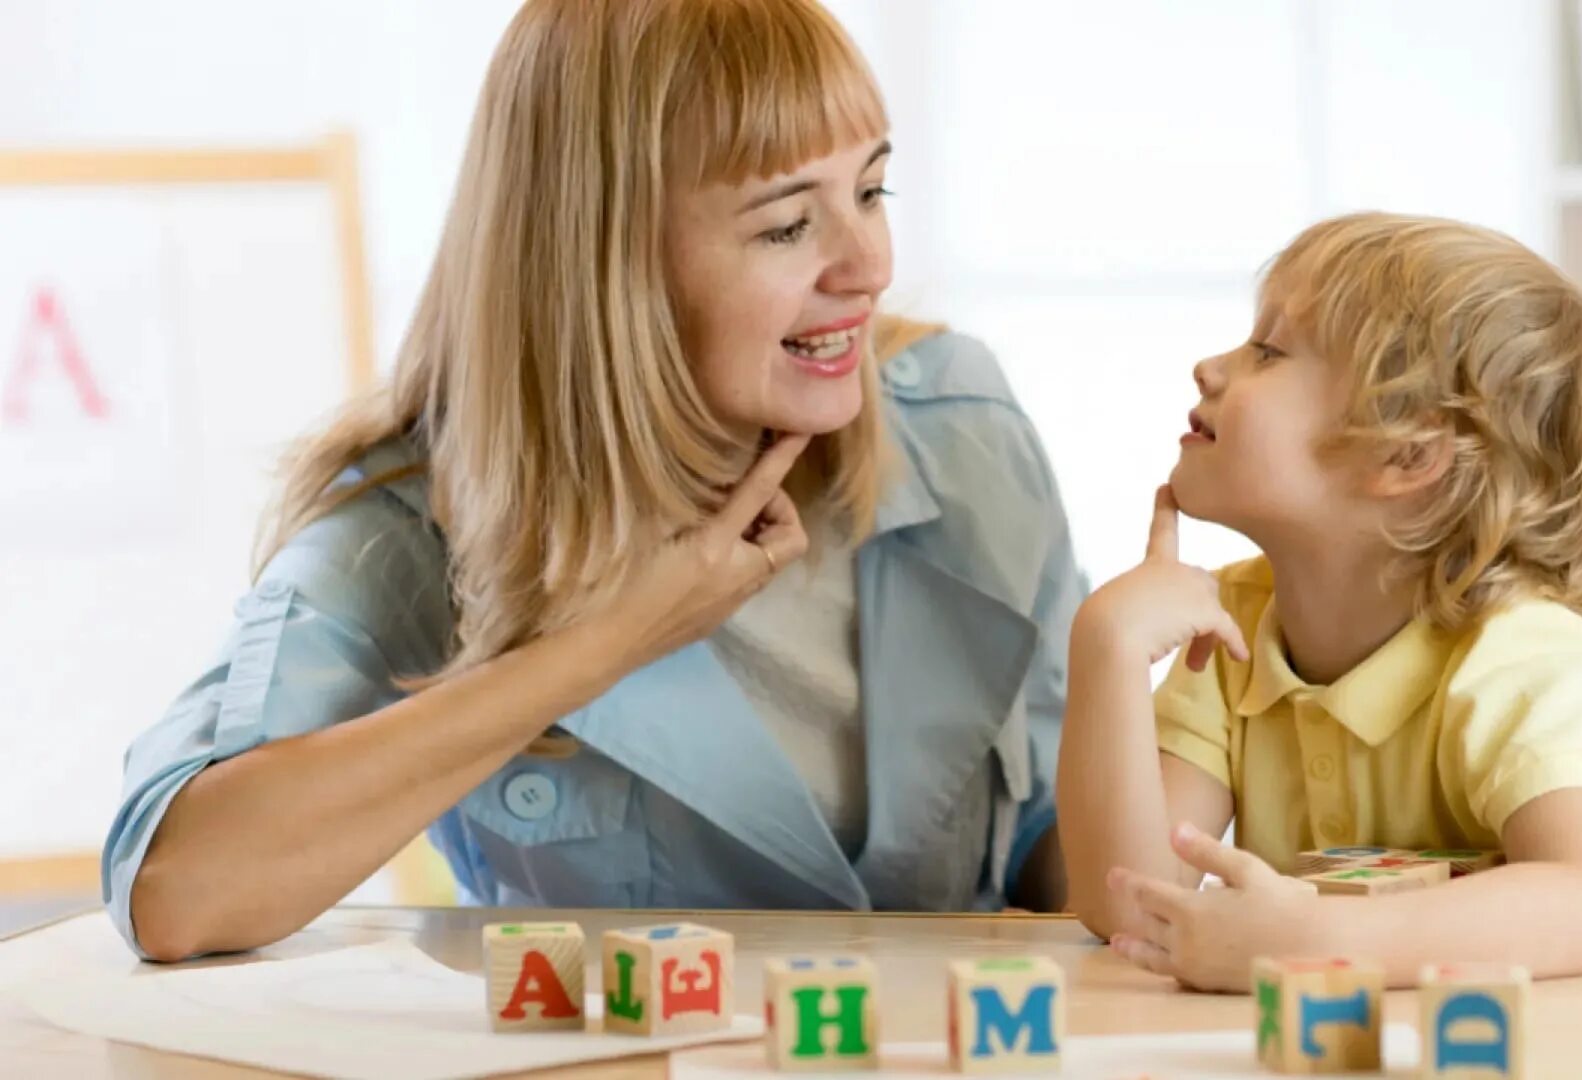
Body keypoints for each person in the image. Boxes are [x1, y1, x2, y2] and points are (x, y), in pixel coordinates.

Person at [106, 0, 1081, 963]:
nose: (869, 266)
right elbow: (173, 891)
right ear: (610, 261)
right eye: (787, 226)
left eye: (871, 192)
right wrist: (604, 645)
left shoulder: (961, 425)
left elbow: (1052, 838)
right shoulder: (414, 525)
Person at [1058, 211, 1582, 993]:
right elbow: (1129, 908)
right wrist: (1109, 649)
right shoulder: (1230, 625)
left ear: (1407, 454)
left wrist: (1312, 943)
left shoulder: (1517, 648)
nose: (1209, 367)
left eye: (1267, 351)